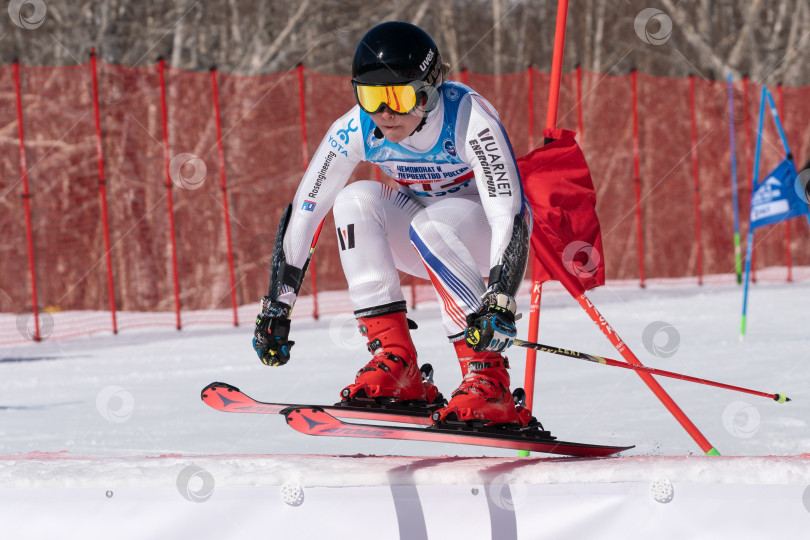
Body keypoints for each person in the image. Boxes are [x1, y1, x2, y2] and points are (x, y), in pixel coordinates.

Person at [253, 21, 533, 427]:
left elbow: (509, 213)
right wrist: (278, 304)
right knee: (353, 201)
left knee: (433, 226)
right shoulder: (358, 128)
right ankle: (396, 364)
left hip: (490, 246)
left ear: (428, 89)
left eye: (398, 97)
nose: (384, 113)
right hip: (427, 241)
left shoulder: (469, 118)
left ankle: (488, 382)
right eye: (370, 97)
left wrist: (500, 296)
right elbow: (307, 209)